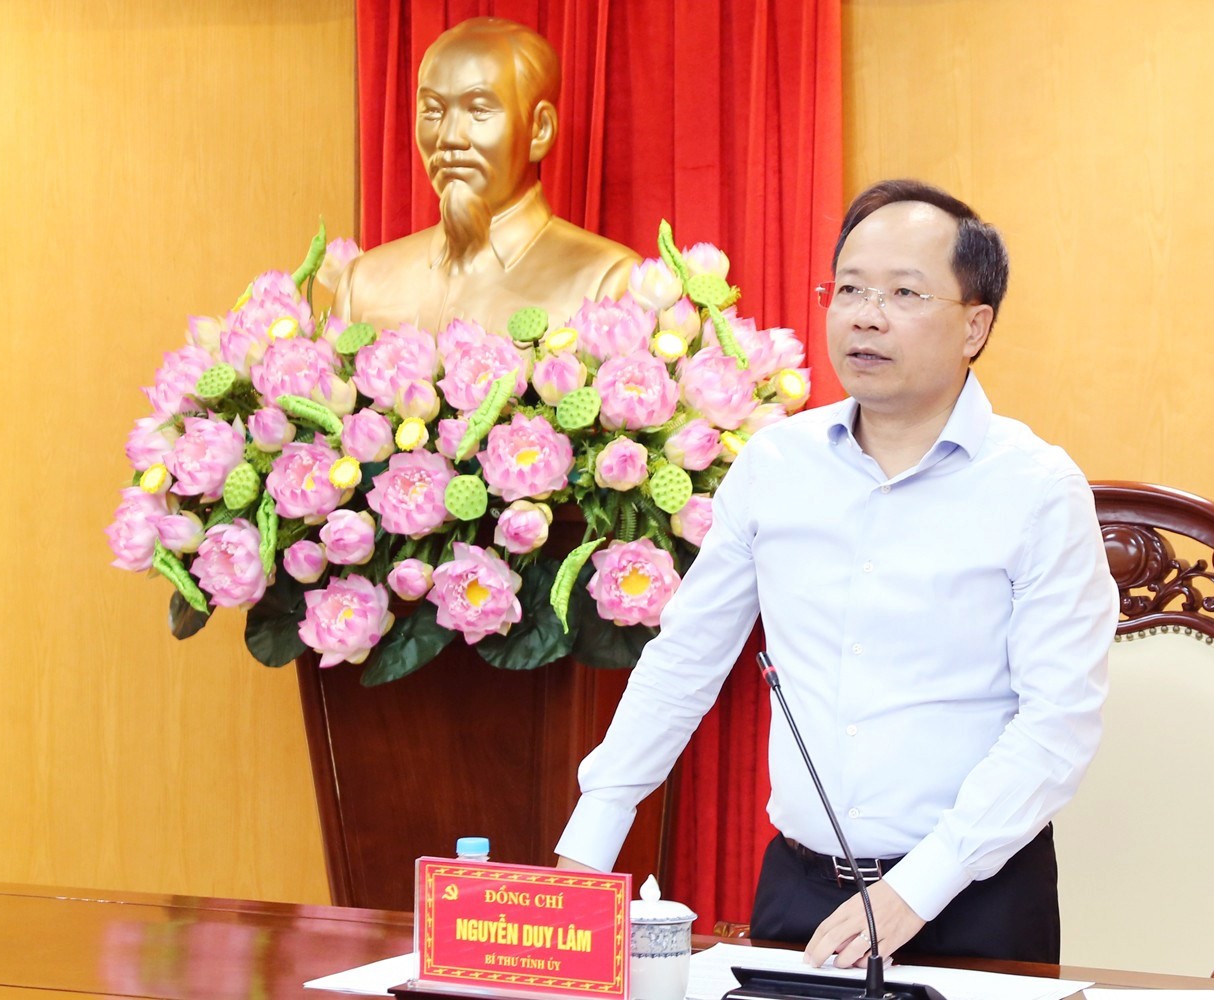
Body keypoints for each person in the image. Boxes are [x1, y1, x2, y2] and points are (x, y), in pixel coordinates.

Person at [554, 179, 1118, 966]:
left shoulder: (1037, 488)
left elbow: (1058, 721)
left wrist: (918, 887)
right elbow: (684, 660)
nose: (865, 316)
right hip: (801, 892)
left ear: (975, 325)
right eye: (848, 289)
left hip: (973, 897)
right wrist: (590, 841)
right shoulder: (775, 465)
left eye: (904, 293)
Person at [332, 18, 638, 332]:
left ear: (539, 129)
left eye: (478, 110)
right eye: (433, 110)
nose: (449, 137)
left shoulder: (605, 283)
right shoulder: (363, 284)